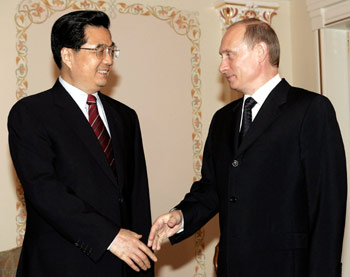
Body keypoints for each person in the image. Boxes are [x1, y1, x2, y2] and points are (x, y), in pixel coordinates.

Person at [148, 18, 347, 276]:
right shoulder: (223, 119)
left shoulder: (310, 109)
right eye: (221, 56)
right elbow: (212, 188)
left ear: (261, 52)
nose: (222, 66)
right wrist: (181, 216)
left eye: (229, 55)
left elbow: (327, 205)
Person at [8, 10, 156, 276]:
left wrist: (142, 259)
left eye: (112, 50)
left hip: (122, 265)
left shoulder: (125, 116)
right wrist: (110, 237)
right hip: (61, 265)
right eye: (99, 50)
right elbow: (44, 190)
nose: (109, 60)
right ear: (67, 55)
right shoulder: (31, 113)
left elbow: (136, 196)